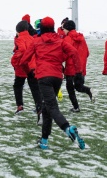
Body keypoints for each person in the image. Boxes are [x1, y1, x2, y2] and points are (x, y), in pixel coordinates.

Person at [20, 16, 85, 150]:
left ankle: (68, 129)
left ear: (41, 28)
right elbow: (74, 52)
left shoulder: (36, 42)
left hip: (43, 77)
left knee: (52, 107)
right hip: (57, 77)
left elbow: (23, 61)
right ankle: (44, 141)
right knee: (46, 108)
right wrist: (78, 72)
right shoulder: (60, 41)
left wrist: (30, 72)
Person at [11, 20, 42, 125]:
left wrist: (14, 60)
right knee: (35, 89)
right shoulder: (32, 38)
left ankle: (20, 106)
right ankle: (39, 109)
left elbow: (22, 50)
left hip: (23, 66)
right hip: (33, 67)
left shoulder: (20, 39)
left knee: (17, 85)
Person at [62, 20, 94, 112]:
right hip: (80, 67)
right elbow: (87, 53)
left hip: (71, 67)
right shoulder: (81, 38)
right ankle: (88, 90)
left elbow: (65, 54)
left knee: (70, 88)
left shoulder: (67, 39)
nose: (63, 31)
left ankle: (76, 107)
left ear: (67, 29)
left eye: (64, 29)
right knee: (78, 86)